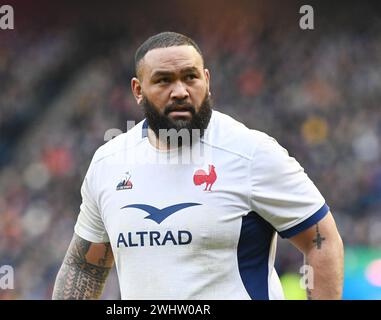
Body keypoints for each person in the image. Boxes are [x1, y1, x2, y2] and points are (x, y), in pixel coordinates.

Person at [52, 31, 344, 300]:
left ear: (207, 79)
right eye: (164, 80)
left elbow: (322, 240)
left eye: (190, 77)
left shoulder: (251, 153)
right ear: (138, 90)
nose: (180, 91)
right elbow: (84, 267)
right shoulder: (109, 163)